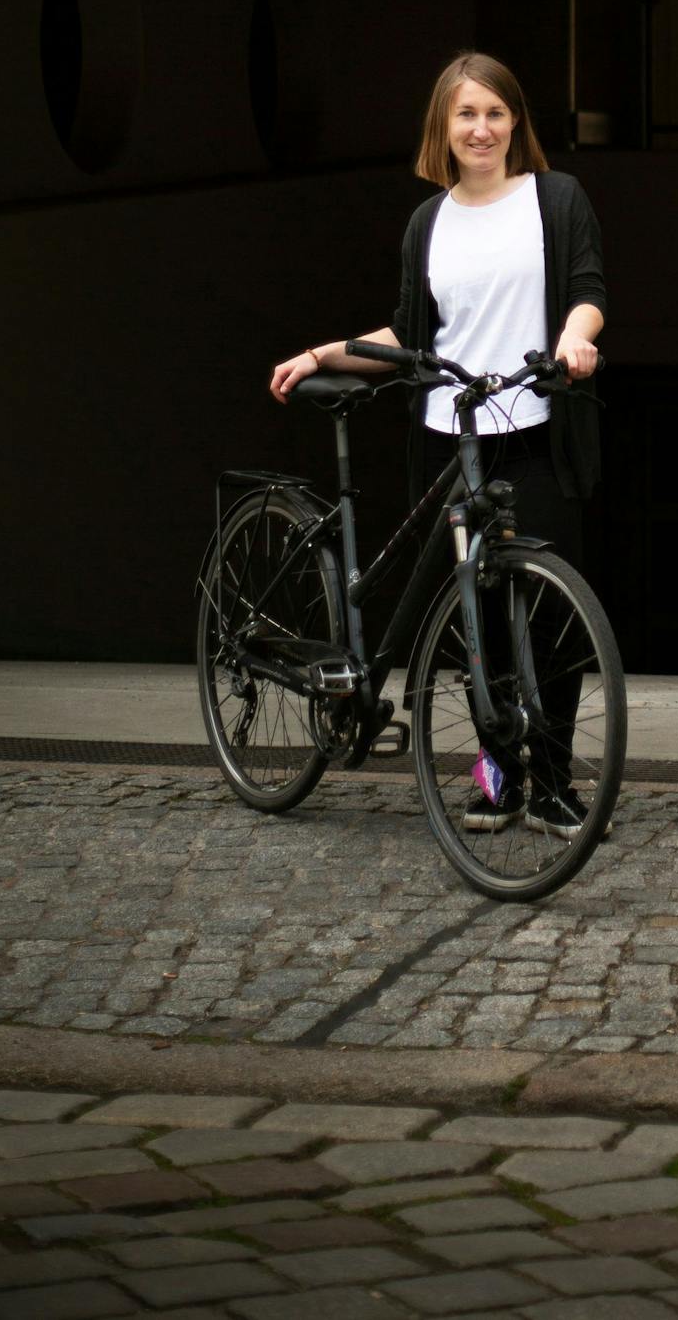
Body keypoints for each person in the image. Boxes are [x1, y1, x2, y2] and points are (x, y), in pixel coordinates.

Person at [271, 51, 605, 836]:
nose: (480, 128)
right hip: (452, 436)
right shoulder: (430, 221)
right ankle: (498, 780)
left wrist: (574, 342)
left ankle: (554, 782)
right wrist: (325, 351)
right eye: (465, 115)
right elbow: (410, 331)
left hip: (537, 428)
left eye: (494, 112)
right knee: (477, 623)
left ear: (515, 119)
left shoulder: (555, 200)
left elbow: (587, 293)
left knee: (551, 618)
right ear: (443, 128)